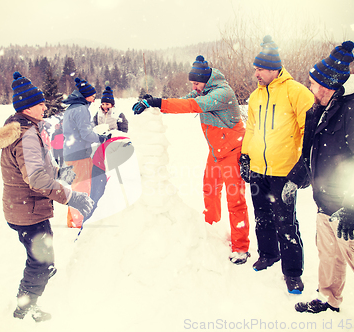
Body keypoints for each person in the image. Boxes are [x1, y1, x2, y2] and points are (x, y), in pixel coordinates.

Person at [283, 41, 354, 332]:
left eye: (313, 83)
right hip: (326, 203)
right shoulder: (318, 108)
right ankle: (328, 298)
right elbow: (310, 153)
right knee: (329, 257)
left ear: (330, 86)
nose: (310, 88)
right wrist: (297, 177)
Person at [0, 71, 94, 322]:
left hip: (23, 208)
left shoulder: (24, 130)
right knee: (38, 262)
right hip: (28, 210)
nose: (45, 106)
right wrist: (71, 197)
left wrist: (60, 173)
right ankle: (24, 308)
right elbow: (35, 178)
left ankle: (43, 274)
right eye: (40, 103)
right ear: (27, 108)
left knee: (43, 258)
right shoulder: (27, 135)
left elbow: (39, 169)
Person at [132, 55, 251, 265]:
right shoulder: (202, 90)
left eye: (196, 83)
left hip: (232, 151)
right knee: (210, 189)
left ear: (206, 80)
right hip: (216, 151)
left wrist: (158, 102)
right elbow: (183, 101)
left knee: (235, 200)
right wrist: (155, 103)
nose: (194, 87)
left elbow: (192, 105)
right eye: (193, 84)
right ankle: (212, 229)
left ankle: (241, 247)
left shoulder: (222, 93)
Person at [239, 35, 314, 293]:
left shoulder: (296, 91)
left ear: (273, 69)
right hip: (259, 169)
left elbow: (311, 128)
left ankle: (293, 272)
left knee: (286, 222)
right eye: (255, 69)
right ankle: (268, 254)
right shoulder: (254, 97)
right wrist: (245, 156)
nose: (256, 74)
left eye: (260, 69)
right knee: (262, 217)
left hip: (284, 171)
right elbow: (251, 129)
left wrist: (305, 163)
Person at [62, 77, 109, 228]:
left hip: (71, 152)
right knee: (81, 188)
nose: (94, 100)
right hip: (79, 154)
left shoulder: (71, 108)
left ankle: (73, 220)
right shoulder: (81, 109)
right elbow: (86, 134)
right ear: (85, 95)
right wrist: (100, 138)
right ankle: (77, 222)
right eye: (93, 97)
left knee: (76, 186)